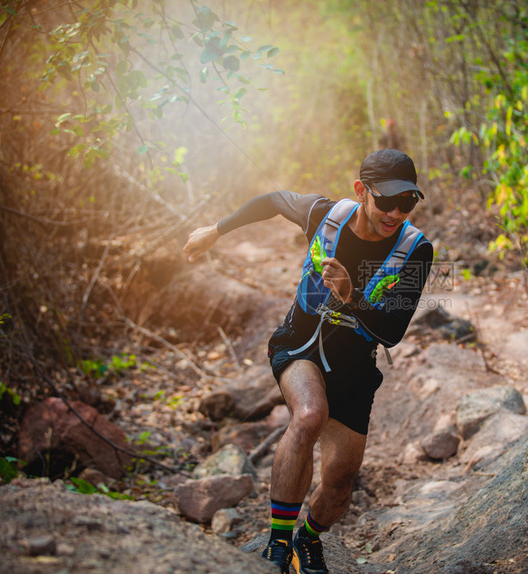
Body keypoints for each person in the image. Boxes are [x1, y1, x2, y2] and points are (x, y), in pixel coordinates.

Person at [183, 149, 433, 574]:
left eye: (406, 201)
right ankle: (279, 544)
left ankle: (308, 538)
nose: (395, 211)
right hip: (298, 343)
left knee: (338, 487)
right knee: (310, 414)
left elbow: (392, 331)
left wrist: (352, 296)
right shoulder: (325, 214)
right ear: (360, 191)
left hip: (354, 366)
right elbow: (274, 200)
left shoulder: (416, 250)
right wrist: (217, 230)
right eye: (386, 200)